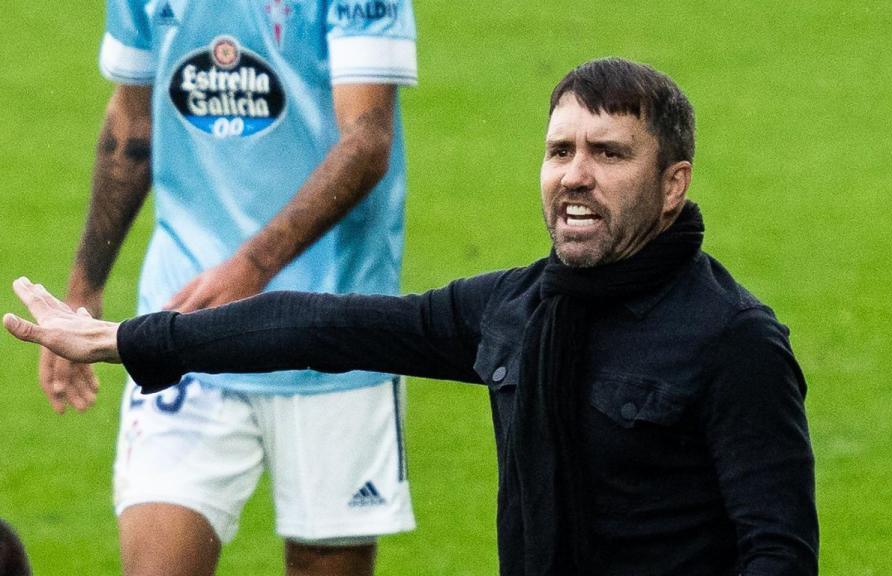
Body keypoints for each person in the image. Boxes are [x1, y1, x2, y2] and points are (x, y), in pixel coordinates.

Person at [7, 57, 819, 576]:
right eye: (559, 152)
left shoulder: (732, 340)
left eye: (608, 155)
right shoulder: (517, 309)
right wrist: (126, 338)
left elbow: (778, 552)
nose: (574, 176)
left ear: (672, 184)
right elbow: (325, 326)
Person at [37, 1, 418, 575]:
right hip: (182, 322)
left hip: (335, 333)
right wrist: (83, 288)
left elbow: (366, 140)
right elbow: (132, 127)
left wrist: (252, 267)